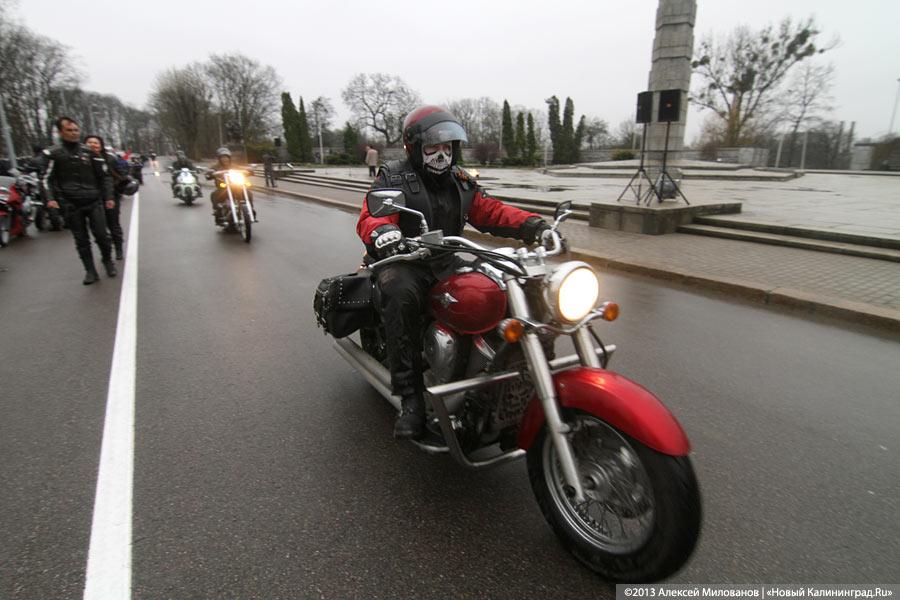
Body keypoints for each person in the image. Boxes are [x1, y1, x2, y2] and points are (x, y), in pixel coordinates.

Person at [356, 105, 553, 439]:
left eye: (448, 147)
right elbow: (372, 213)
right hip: (407, 261)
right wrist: (383, 233)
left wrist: (534, 225)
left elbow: (492, 211)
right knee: (399, 292)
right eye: (433, 147)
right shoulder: (394, 175)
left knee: (504, 281)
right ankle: (410, 397)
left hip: (448, 258)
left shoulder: (461, 181)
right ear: (414, 147)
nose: (442, 154)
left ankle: (514, 373)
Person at [42, 117, 116, 284]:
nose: (74, 133)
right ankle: (90, 270)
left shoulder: (90, 153)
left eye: (76, 130)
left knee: (102, 235)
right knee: (81, 239)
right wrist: (50, 199)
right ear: (61, 132)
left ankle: (107, 260)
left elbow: (105, 177)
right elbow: (46, 179)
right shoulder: (53, 154)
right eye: (69, 130)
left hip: (93, 200)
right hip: (71, 203)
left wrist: (109, 196)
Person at [84, 135, 126, 260]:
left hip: (110, 196)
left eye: (96, 143)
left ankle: (118, 248)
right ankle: (106, 251)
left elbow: (122, 173)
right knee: (98, 228)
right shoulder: (82, 160)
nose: (93, 145)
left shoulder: (110, 159)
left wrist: (114, 187)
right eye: (89, 142)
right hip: (91, 198)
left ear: (101, 145)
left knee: (113, 224)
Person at [205, 147, 256, 225]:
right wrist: (210, 173)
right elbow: (209, 173)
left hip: (236, 186)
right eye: (222, 157)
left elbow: (242, 169)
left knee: (248, 193)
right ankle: (218, 212)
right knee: (214, 194)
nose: (225, 159)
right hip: (223, 188)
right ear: (219, 158)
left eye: (226, 157)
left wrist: (249, 170)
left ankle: (250, 210)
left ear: (229, 158)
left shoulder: (234, 166)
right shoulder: (216, 167)